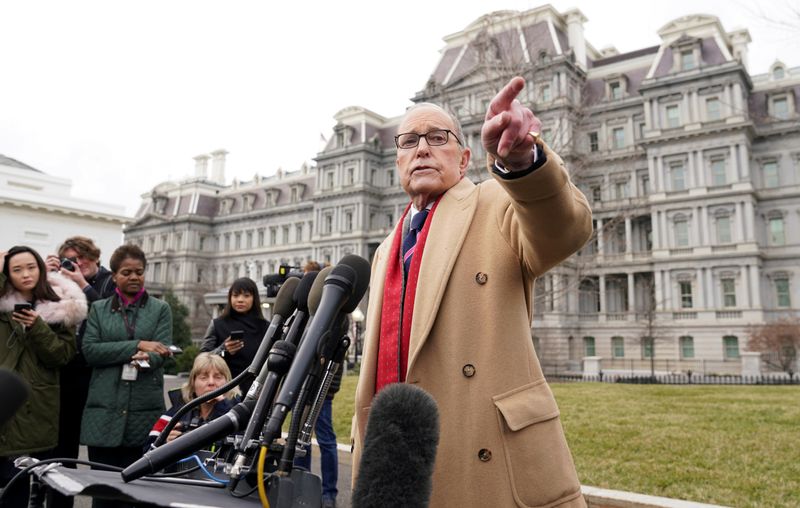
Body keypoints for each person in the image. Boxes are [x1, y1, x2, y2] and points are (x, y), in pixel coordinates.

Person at [352, 77, 593, 507]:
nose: (421, 148)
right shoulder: (387, 247)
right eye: (408, 141)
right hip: (395, 463)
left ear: (464, 159)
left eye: (437, 137)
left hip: (485, 457)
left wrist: (523, 165)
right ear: (398, 163)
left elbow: (563, 230)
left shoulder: (496, 202)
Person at [80, 244, 172, 507]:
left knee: (140, 492)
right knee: (104, 492)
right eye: (126, 272)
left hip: (144, 410)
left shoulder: (160, 309)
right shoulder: (98, 309)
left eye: (139, 272)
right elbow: (90, 351)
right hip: (105, 410)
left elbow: (163, 349)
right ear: (114, 277)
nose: (134, 277)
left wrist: (148, 357)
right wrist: (137, 345)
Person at [0, 246, 86, 507]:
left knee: (20, 479)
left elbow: (61, 355)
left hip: (35, 402)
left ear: (40, 268)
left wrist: (37, 326)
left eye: (31, 267)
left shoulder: (62, 306)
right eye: (17, 269)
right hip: (4, 395)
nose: (25, 274)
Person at [45, 236, 116, 508]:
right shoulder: (57, 281)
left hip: (96, 372)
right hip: (65, 369)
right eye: (70, 259)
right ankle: (56, 501)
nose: (77, 264)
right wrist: (45, 272)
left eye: (82, 258)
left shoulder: (109, 281)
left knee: (98, 447)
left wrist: (83, 285)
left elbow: (108, 317)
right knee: (62, 445)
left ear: (95, 257)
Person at [294, 260, 340, 508]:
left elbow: (338, 356)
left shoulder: (335, 314)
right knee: (298, 441)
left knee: (326, 440)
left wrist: (329, 390)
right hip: (301, 389)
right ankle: (302, 488)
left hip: (322, 390)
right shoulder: (303, 315)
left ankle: (329, 493)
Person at [144, 352, 239, 451]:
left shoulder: (240, 413)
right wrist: (165, 443)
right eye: (204, 377)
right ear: (193, 384)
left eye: (218, 377)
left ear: (228, 383)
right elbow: (147, 452)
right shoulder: (176, 413)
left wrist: (223, 407)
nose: (211, 382)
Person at [200, 277, 269, 396]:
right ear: (230, 297)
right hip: (223, 391)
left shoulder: (266, 327)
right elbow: (202, 359)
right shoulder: (217, 324)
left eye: (246, 296)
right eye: (236, 295)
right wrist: (223, 350)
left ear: (254, 298)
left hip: (255, 392)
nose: (240, 300)